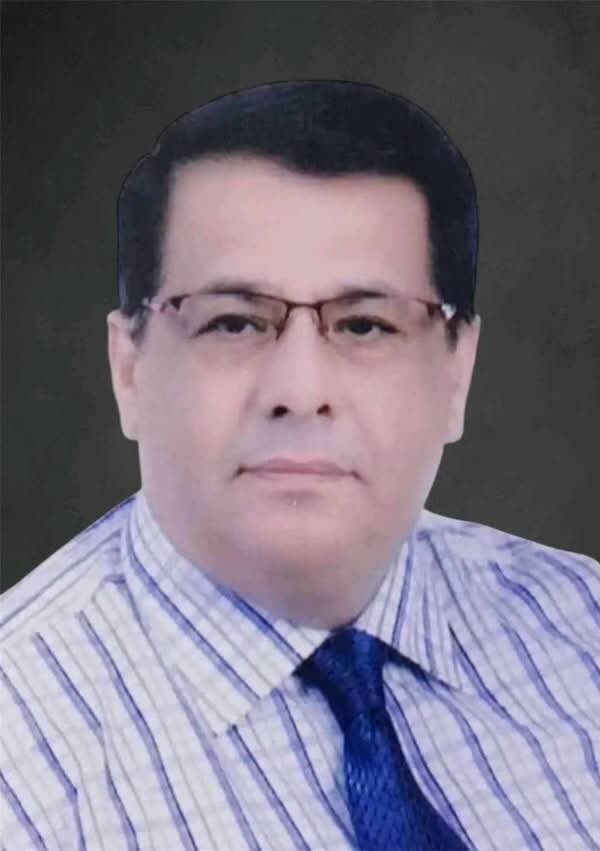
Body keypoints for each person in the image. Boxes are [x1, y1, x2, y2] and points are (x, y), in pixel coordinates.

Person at [1, 80, 598, 851]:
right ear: (130, 369)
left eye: (365, 324)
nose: (301, 389)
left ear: (457, 373)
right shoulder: (19, 760)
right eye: (233, 321)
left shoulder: (582, 629)